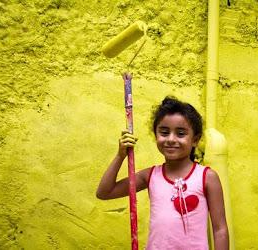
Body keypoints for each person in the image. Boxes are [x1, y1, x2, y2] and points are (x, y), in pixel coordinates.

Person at [96, 96, 229, 250]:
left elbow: (220, 230)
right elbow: (105, 192)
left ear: (195, 140)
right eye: (164, 132)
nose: (171, 139)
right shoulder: (150, 176)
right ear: (156, 136)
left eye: (180, 134)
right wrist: (121, 155)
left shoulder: (207, 177)